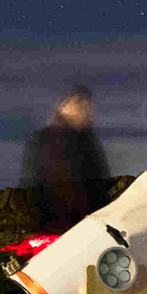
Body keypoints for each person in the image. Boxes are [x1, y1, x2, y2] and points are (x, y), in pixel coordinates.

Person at [21, 86, 112, 232]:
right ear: (63, 107)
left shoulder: (87, 140)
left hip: (85, 224)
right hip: (61, 225)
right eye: (79, 103)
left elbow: (99, 182)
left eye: (87, 105)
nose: (85, 109)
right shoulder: (48, 139)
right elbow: (47, 185)